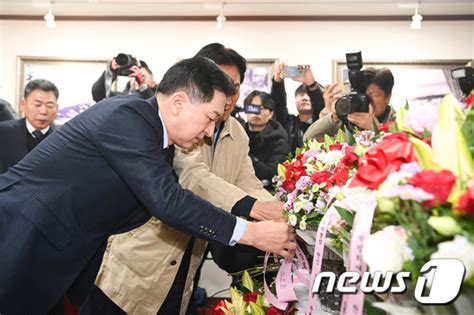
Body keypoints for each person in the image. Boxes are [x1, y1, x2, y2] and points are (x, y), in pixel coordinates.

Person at [0, 57, 295, 315]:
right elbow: (168, 200)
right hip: (23, 240)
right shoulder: (127, 119)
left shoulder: (158, 139)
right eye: (209, 119)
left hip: (58, 252)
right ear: (178, 102)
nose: (208, 133)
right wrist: (252, 233)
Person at [82, 43, 286, 315]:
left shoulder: (237, 131)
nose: (227, 97)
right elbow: (192, 176)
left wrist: (280, 213)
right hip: (138, 264)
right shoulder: (175, 126)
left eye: (233, 87)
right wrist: (254, 212)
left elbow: (247, 181)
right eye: (220, 85)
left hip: (189, 261)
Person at [303, 67, 396, 141]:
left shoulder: (399, 121)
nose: (366, 99)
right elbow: (308, 139)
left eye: (373, 94)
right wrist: (334, 117)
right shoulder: (347, 117)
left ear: (388, 97)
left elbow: (401, 152)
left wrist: (376, 129)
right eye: (362, 94)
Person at [0, 79, 58, 174]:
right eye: (37, 105)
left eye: (50, 106)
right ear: (23, 105)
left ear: (56, 108)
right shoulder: (3, 132)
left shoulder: (63, 139)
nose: (43, 111)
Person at [271, 62, 325, 153]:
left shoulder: (323, 123)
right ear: (295, 99)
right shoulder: (288, 123)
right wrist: (278, 80)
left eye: (308, 95)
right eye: (301, 94)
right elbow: (278, 104)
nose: (305, 98)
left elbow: (320, 107)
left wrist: (311, 84)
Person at [244, 90, 291, 190]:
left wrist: (244, 155)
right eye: (252, 107)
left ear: (271, 113)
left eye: (261, 108)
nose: (256, 113)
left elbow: (273, 174)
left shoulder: (280, 141)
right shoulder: (237, 134)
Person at [91, 56, 157, 102]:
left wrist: (142, 85)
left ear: (153, 82)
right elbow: (97, 96)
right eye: (135, 75)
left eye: (143, 77)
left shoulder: (160, 97)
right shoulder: (121, 98)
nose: (137, 79)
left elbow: (153, 105)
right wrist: (110, 73)